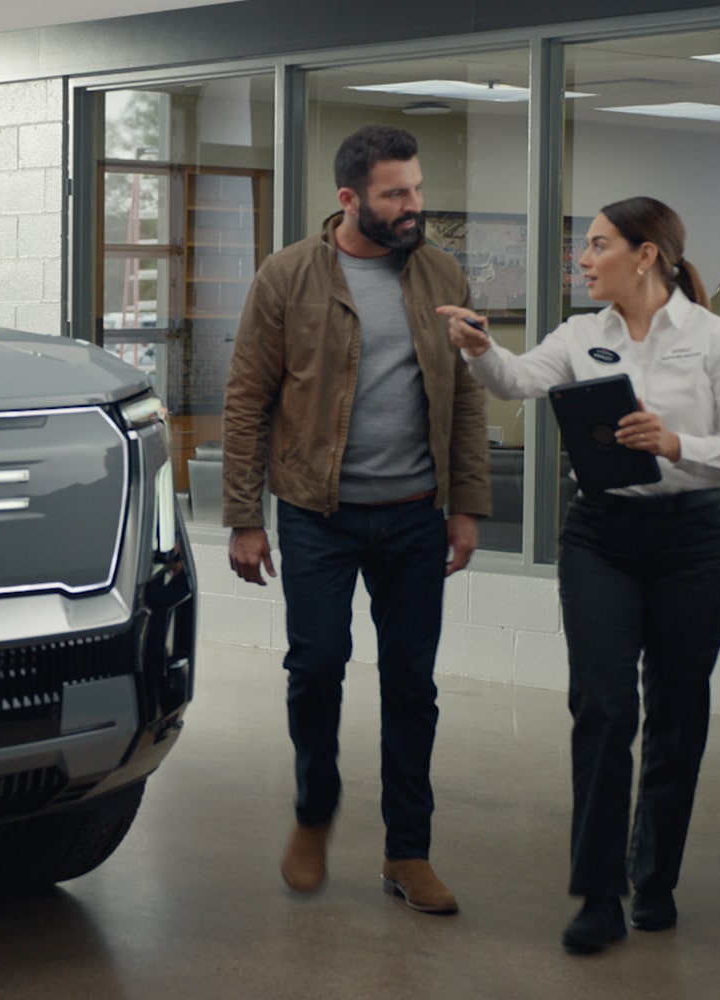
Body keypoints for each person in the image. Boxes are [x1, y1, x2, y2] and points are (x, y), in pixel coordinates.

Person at [441, 196, 720, 954]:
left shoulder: (714, 339)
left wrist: (678, 441)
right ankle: (597, 894)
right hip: (601, 537)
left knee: (677, 715)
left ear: (646, 253)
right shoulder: (581, 335)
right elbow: (519, 382)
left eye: (596, 246)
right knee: (603, 707)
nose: (583, 260)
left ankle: (654, 877)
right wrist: (478, 348)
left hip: (694, 543)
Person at [223, 123, 489, 915]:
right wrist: (244, 515)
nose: (414, 207)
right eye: (395, 194)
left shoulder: (439, 271)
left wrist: (467, 505)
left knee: (412, 684)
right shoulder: (289, 276)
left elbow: (467, 394)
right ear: (349, 199)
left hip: (414, 516)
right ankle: (313, 814)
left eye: (416, 189)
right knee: (316, 667)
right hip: (317, 514)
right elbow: (246, 397)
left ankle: (408, 851)